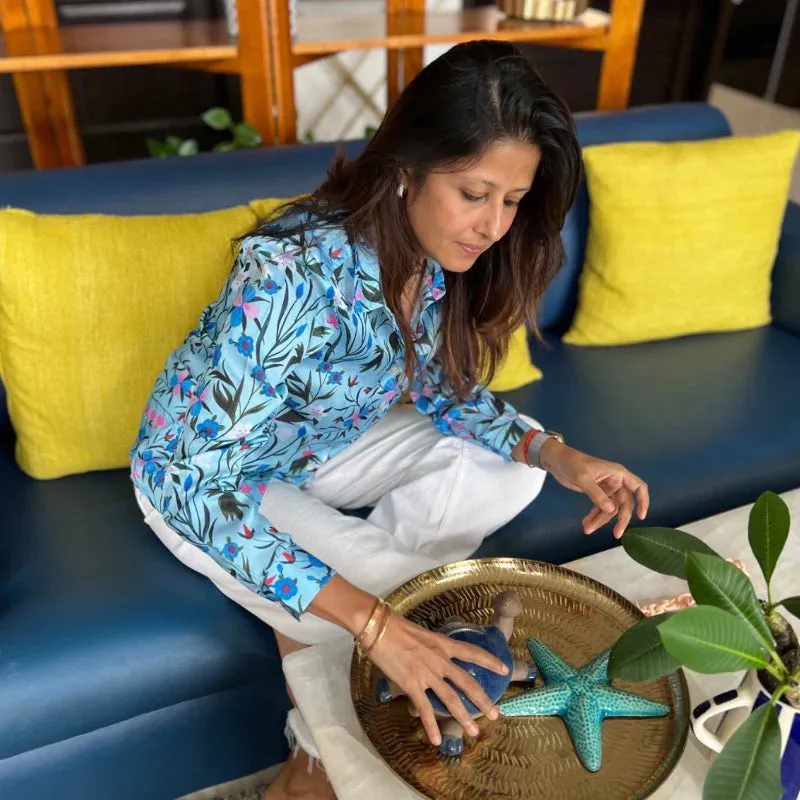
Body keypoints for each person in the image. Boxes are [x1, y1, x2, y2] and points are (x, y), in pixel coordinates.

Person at [130, 40, 649, 800]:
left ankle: (337, 658)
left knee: (511, 467)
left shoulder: (428, 255)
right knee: (410, 599)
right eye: (475, 194)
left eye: (512, 201)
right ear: (408, 165)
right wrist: (376, 624)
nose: (494, 225)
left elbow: (442, 393)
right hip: (209, 480)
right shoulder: (289, 278)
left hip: (318, 451)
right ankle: (316, 762)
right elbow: (185, 479)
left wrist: (560, 455)